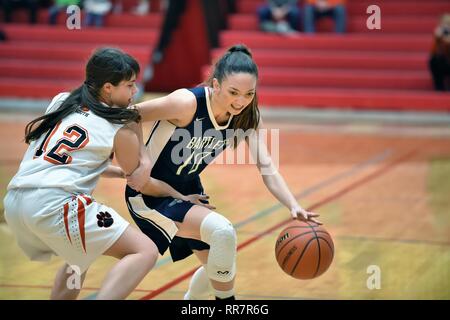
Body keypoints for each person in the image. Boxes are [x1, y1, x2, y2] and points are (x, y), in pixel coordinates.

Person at [3, 47, 204, 300]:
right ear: (108, 88)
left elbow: (64, 160)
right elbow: (142, 181)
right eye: (130, 85)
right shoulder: (118, 124)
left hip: (16, 201)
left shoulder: (62, 100)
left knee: (78, 259)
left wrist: (117, 172)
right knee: (144, 251)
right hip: (55, 204)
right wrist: (176, 191)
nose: (135, 92)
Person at [125, 44, 321, 300]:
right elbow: (129, 114)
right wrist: (140, 160)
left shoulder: (247, 117)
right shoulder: (186, 103)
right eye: (233, 92)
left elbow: (268, 169)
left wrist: (293, 205)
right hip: (149, 192)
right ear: (216, 85)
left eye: (249, 94)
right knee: (223, 233)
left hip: (188, 191)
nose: (241, 101)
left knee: (219, 265)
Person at [429, 14, 450, 91]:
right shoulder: (439, 34)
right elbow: (434, 51)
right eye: (444, 23)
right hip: (442, 62)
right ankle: (439, 87)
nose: (446, 26)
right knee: (434, 60)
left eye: (448, 23)